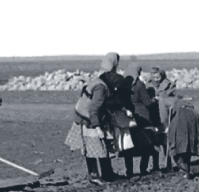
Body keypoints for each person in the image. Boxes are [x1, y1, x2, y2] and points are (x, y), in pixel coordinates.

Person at [65, 51, 123, 183]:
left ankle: (107, 173)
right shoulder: (100, 88)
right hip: (88, 120)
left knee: (102, 146)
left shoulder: (99, 80)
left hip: (91, 117)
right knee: (92, 147)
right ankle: (94, 175)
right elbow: (94, 108)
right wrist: (97, 127)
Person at [117, 64, 159, 176]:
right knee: (146, 143)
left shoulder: (122, 85)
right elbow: (147, 102)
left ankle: (129, 171)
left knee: (129, 145)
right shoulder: (139, 85)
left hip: (127, 117)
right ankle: (143, 169)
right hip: (142, 116)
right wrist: (154, 100)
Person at [162, 95, 199, 178]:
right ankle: (187, 171)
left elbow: (164, 117)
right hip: (192, 123)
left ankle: (187, 172)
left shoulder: (169, 103)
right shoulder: (191, 109)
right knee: (187, 150)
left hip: (179, 124)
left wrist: (166, 128)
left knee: (176, 152)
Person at [149, 67, 178, 171]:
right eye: (154, 77)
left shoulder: (169, 85)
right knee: (155, 143)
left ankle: (169, 164)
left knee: (166, 142)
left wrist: (162, 100)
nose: (156, 79)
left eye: (158, 77)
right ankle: (155, 165)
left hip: (165, 116)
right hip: (153, 116)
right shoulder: (148, 85)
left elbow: (174, 99)